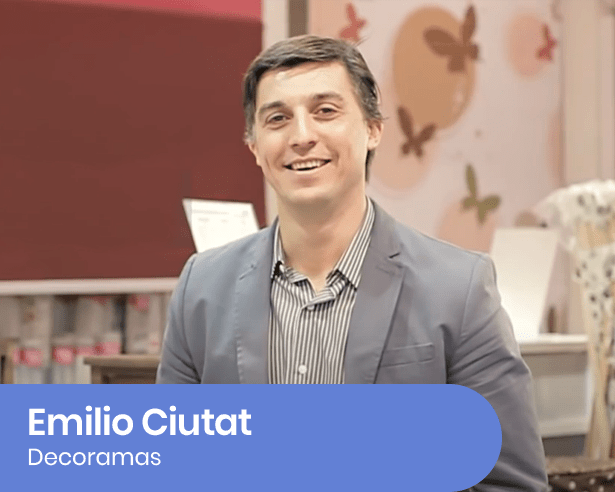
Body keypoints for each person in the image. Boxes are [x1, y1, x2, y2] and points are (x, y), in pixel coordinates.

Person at [157, 35, 548, 490]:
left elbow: (508, 481)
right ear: (254, 146)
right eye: (278, 118)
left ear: (373, 129)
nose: (302, 136)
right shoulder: (202, 289)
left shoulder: (458, 288)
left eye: (325, 111)